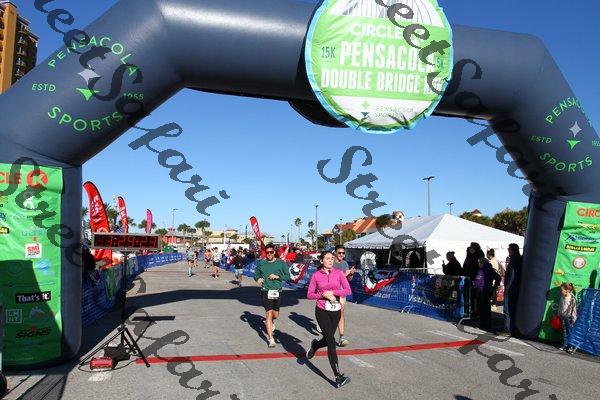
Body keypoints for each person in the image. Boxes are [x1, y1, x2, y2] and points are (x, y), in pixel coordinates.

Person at [306, 250, 352, 388]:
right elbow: (309, 294)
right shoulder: (316, 275)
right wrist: (323, 295)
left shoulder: (339, 273)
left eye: (332, 258)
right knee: (331, 342)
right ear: (321, 261)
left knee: (328, 339)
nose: (330, 260)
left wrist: (333, 292)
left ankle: (315, 346)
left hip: (335, 311)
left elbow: (347, 290)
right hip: (321, 311)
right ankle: (338, 377)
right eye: (327, 258)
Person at [254, 243, 291, 348]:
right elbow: (256, 274)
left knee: (275, 314)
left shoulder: (281, 263)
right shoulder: (262, 263)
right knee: (268, 314)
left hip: (277, 291)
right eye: (267, 253)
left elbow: (288, 277)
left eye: (271, 252)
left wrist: (277, 276)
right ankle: (271, 339)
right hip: (265, 290)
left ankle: (271, 321)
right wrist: (257, 279)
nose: (269, 254)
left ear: (274, 252)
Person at [332, 245, 355, 347]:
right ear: (335, 253)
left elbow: (348, 279)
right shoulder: (330, 262)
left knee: (340, 314)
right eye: (339, 253)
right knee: (330, 314)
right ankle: (324, 327)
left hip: (341, 292)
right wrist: (343, 274)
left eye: (343, 253)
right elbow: (330, 278)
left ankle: (341, 337)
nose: (341, 255)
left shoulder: (345, 263)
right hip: (331, 292)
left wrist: (350, 274)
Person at [473, 257, 501, 330]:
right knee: (481, 308)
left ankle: (487, 324)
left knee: (485, 308)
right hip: (479, 290)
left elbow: (498, 277)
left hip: (485, 290)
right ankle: (482, 323)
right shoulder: (480, 269)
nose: (478, 264)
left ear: (483, 262)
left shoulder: (489, 269)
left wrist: (494, 287)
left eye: (479, 262)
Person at [504, 243, 522, 334]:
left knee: (507, 309)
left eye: (509, 249)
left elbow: (512, 274)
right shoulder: (519, 258)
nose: (508, 250)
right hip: (516, 287)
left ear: (512, 250)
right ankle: (512, 328)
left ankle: (507, 329)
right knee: (513, 309)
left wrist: (507, 287)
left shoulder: (514, 260)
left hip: (511, 288)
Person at [558, 283, 577, 353]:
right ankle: (564, 345)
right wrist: (559, 314)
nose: (561, 291)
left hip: (569, 318)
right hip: (563, 316)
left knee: (570, 332)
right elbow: (560, 306)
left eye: (562, 290)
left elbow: (574, 309)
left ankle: (571, 346)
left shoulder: (572, 298)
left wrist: (573, 318)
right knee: (564, 332)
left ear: (567, 290)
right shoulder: (562, 296)